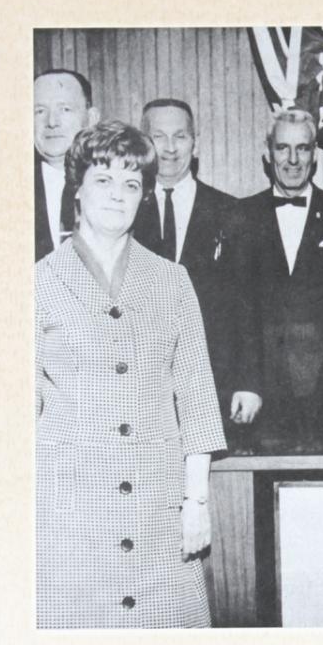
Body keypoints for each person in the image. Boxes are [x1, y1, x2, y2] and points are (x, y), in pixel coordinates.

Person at [35, 121, 226, 628]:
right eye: (103, 179)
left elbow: (198, 398)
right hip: (67, 514)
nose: (117, 195)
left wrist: (196, 501)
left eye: (131, 183)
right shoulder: (37, 283)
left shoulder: (172, 280)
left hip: (157, 511)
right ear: (77, 189)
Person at [233, 108, 323, 443]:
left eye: (303, 148)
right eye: (283, 148)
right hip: (264, 399)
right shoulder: (240, 217)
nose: (293, 159)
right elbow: (236, 311)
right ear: (268, 154)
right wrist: (246, 383)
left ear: (315, 155)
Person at [134, 98, 261, 429]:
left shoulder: (232, 212)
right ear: (143, 142)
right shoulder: (125, 211)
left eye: (181, 136)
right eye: (158, 137)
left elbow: (249, 303)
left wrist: (249, 383)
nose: (171, 148)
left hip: (214, 386)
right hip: (141, 389)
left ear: (196, 142)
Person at [34, 69, 100, 260]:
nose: (52, 122)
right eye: (40, 111)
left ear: (92, 119)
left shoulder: (119, 185)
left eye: (65, 109)